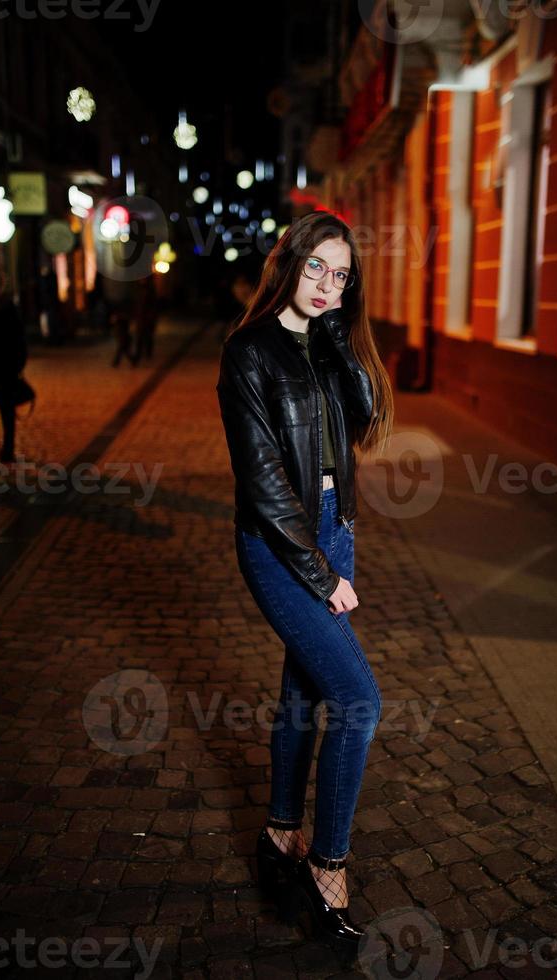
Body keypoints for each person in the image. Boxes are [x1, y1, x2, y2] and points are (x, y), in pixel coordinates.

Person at [216, 211, 394, 962]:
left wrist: (339, 337)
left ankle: (280, 832)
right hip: (278, 541)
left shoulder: (326, 343)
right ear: (287, 263)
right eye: (316, 267)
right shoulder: (247, 352)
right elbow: (262, 484)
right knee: (359, 700)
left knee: (304, 691)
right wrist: (322, 577)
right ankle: (328, 866)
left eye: (341, 274)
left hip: (335, 525)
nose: (328, 284)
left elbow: (366, 421)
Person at [0, 267, 28, 469]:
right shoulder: (6, 305)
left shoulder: (4, 305)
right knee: (7, 410)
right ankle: (8, 449)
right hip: (5, 366)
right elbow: (18, 336)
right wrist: (19, 362)